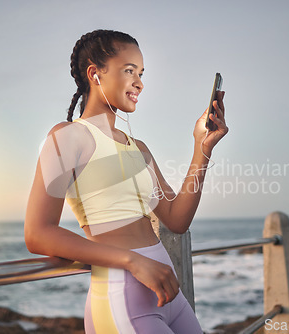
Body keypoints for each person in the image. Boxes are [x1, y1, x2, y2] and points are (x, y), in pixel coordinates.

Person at [25, 29, 228, 334]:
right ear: (95, 74)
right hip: (123, 300)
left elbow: (177, 218)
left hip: (169, 295)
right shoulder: (67, 137)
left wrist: (203, 147)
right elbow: (38, 234)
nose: (139, 83)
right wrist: (132, 261)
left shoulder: (139, 148)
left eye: (141, 73)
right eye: (129, 71)